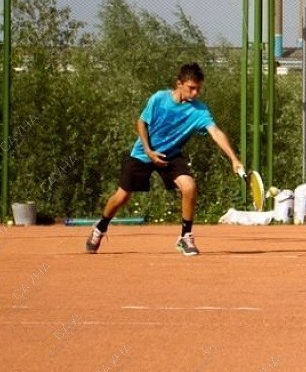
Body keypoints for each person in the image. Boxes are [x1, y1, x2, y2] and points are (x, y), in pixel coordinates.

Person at [85, 63, 244, 256]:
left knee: (189, 186)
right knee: (122, 197)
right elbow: (141, 122)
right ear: (179, 84)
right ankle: (100, 227)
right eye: (191, 88)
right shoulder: (159, 98)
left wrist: (234, 159)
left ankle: (185, 237)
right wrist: (148, 150)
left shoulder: (200, 111)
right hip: (143, 153)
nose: (195, 93)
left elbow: (216, 132)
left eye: (198, 89)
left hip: (171, 155)